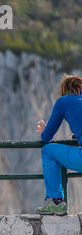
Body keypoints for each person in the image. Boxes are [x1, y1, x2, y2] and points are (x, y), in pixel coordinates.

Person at [35, 74, 82, 216]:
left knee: (47, 150)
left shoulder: (64, 101)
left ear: (66, 90)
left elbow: (46, 137)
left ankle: (56, 201)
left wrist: (43, 130)